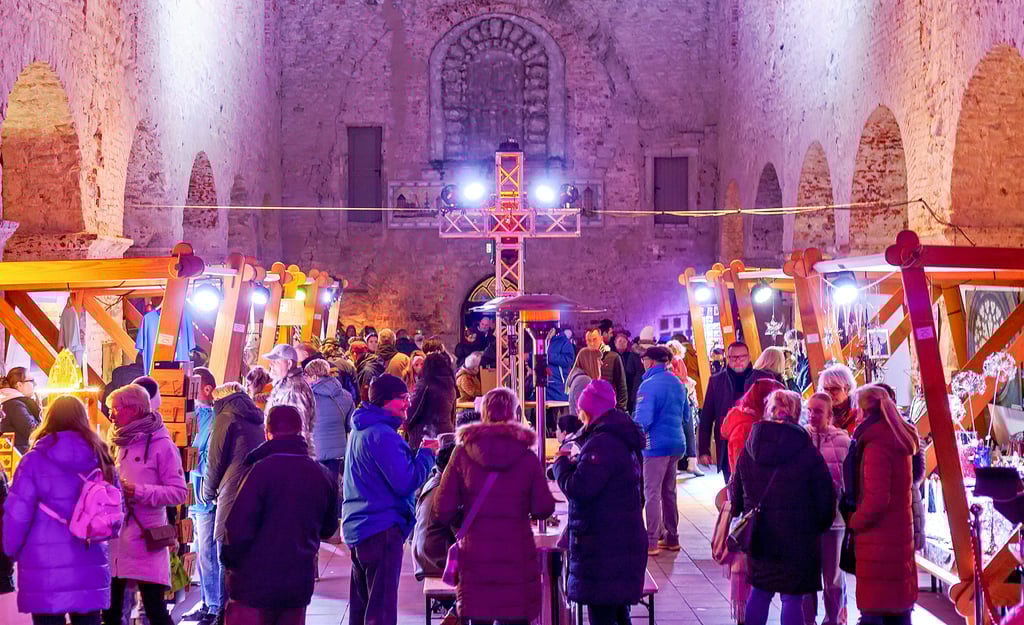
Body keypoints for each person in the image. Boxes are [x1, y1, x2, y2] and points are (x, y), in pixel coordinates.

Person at [434, 387, 556, 624]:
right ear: (514, 413)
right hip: (517, 558)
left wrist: (466, 520)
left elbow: (442, 508)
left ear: (483, 414)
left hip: (475, 558)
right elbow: (544, 508)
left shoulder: (462, 453)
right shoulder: (526, 457)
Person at [3, 395, 118, 624]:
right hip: (89, 561)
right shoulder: (102, 458)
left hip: (44, 568)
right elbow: (114, 515)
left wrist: (10, 551)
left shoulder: (33, 461)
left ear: (48, 419)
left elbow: (17, 515)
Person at [221, 405, 339, 625]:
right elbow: (328, 528)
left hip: (252, 584)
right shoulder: (322, 474)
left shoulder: (258, 472)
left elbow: (237, 530)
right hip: (297, 583)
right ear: (301, 431)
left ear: (267, 432)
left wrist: (229, 564)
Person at [731, 389, 835, 625]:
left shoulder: (750, 448)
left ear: (769, 411)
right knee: (792, 598)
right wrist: (817, 527)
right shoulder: (807, 451)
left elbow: (737, 494)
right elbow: (825, 500)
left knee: (760, 591)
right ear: (798, 413)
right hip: (798, 537)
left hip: (759, 535)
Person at [552, 380, 647, 625]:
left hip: (604, 546)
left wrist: (561, 465)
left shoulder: (603, 442)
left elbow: (580, 488)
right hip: (619, 541)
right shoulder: (618, 436)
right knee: (616, 612)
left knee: (604, 615)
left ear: (591, 410)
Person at [343, 374, 435, 625]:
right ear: (386, 401)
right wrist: (427, 454)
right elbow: (406, 481)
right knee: (380, 613)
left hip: (360, 527)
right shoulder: (382, 435)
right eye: (402, 399)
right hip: (380, 528)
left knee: (362, 609)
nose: (407, 404)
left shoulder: (362, 428)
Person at [102, 384, 187, 625]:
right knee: (110, 613)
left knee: (155, 611)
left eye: (116, 409)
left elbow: (179, 492)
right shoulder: (115, 440)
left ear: (135, 409)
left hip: (145, 538)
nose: (111, 415)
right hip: (115, 539)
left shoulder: (162, 445)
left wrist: (139, 492)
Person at [844, 386, 919, 625]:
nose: (854, 414)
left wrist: (854, 521)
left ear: (865, 411)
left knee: (876, 609)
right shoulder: (896, 436)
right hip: (897, 537)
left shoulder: (876, 444)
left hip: (878, 541)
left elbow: (877, 500)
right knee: (897, 608)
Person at [633, 346, 688, 555]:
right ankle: (672, 537)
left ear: (652, 362)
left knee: (652, 492)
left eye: (644, 360)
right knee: (669, 491)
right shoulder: (677, 382)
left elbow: (643, 421)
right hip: (676, 444)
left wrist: (632, 436)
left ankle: (652, 541)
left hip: (655, 445)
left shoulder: (649, 385)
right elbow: (686, 416)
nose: (642, 363)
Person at [803, 393, 850, 625]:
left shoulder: (843, 441)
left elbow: (848, 480)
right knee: (806, 575)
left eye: (818, 411)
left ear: (829, 415)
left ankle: (833, 620)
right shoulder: (800, 438)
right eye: (809, 410)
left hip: (835, 519)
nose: (812, 415)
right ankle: (807, 620)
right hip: (805, 519)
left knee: (832, 576)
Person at [699, 341, 774, 482]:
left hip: (759, 441)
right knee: (732, 486)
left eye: (742, 357)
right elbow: (707, 416)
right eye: (733, 357)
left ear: (749, 357)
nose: (738, 361)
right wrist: (704, 449)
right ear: (727, 358)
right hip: (728, 444)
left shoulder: (764, 378)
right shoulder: (716, 381)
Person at [204, 382, 267, 548]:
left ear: (220, 399)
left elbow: (215, 459)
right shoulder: (257, 417)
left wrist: (208, 493)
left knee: (225, 552)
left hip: (232, 489)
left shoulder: (225, 417)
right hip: (256, 486)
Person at [185, 367, 222, 625]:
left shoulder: (211, 418)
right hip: (195, 494)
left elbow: (206, 456)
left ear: (206, 389)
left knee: (208, 552)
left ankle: (215, 606)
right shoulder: (198, 416)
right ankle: (208, 601)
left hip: (204, 495)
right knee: (201, 550)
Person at [305, 358, 354, 541]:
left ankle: (314, 530)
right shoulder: (346, 395)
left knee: (313, 492)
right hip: (337, 452)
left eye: (308, 375)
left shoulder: (308, 396)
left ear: (315, 375)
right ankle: (333, 532)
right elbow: (350, 425)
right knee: (333, 491)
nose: (306, 379)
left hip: (314, 451)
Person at [411, 442, 458, 581]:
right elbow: (461, 531)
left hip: (423, 555)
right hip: (435, 561)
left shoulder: (434, 480)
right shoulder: (445, 491)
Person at [720, 378, 785, 474]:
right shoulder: (746, 429)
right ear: (764, 401)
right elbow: (744, 473)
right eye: (776, 404)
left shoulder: (753, 419)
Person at [263, 343, 317, 456]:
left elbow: (301, 429)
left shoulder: (294, 389)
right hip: (282, 453)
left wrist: (299, 461)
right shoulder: (284, 385)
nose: (271, 365)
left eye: (276, 361)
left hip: (290, 456)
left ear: (289, 363)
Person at [407, 352, 457, 452]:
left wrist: (407, 426)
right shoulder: (451, 386)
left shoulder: (424, 384)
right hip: (446, 436)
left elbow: (412, 411)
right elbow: (453, 414)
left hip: (425, 437)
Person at [585, 328, 628, 410]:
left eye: (594, 339)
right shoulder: (585, 358)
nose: (592, 343)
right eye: (589, 340)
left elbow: (621, 385)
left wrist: (621, 409)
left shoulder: (613, 357)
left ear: (601, 339)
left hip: (609, 406)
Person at [0, 367, 41, 453]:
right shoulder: (15, 405)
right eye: (31, 381)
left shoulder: (10, 402)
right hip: (19, 458)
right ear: (19, 385)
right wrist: (41, 413)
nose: (35, 384)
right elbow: (33, 432)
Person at [358, 329, 402, 401]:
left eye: (375, 341)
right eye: (371, 342)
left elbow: (364, 396)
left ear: (379, 342)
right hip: (395, 404)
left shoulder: (370, 363)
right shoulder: (403, 359)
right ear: (394, 342)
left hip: (375, 405)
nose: (373, 344)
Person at [818, 364, 859, 434]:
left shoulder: (859, 413)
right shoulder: (818, 413)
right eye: (826, 389)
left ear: (847, 389)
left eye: (834, 389)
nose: (829, 394)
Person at [566, 347, 603, 418]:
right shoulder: (584, 380)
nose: (601, 363)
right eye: (599, 359)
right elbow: (585, 412)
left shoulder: (582, 379)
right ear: (591, 362)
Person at [614, 331, 645, 414]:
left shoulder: (630, 354)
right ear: (615, 343)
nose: (622, 343)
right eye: (620, 341)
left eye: (624, 341)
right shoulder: (612, 355)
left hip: (630, 383)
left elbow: (630, 370)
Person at [546, 326, 576, 403]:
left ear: (553, 329)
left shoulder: (564, 342)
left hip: (558, 388)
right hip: (544, 388)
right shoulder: (539, 341)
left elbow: (569, 359)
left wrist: (547, 357)